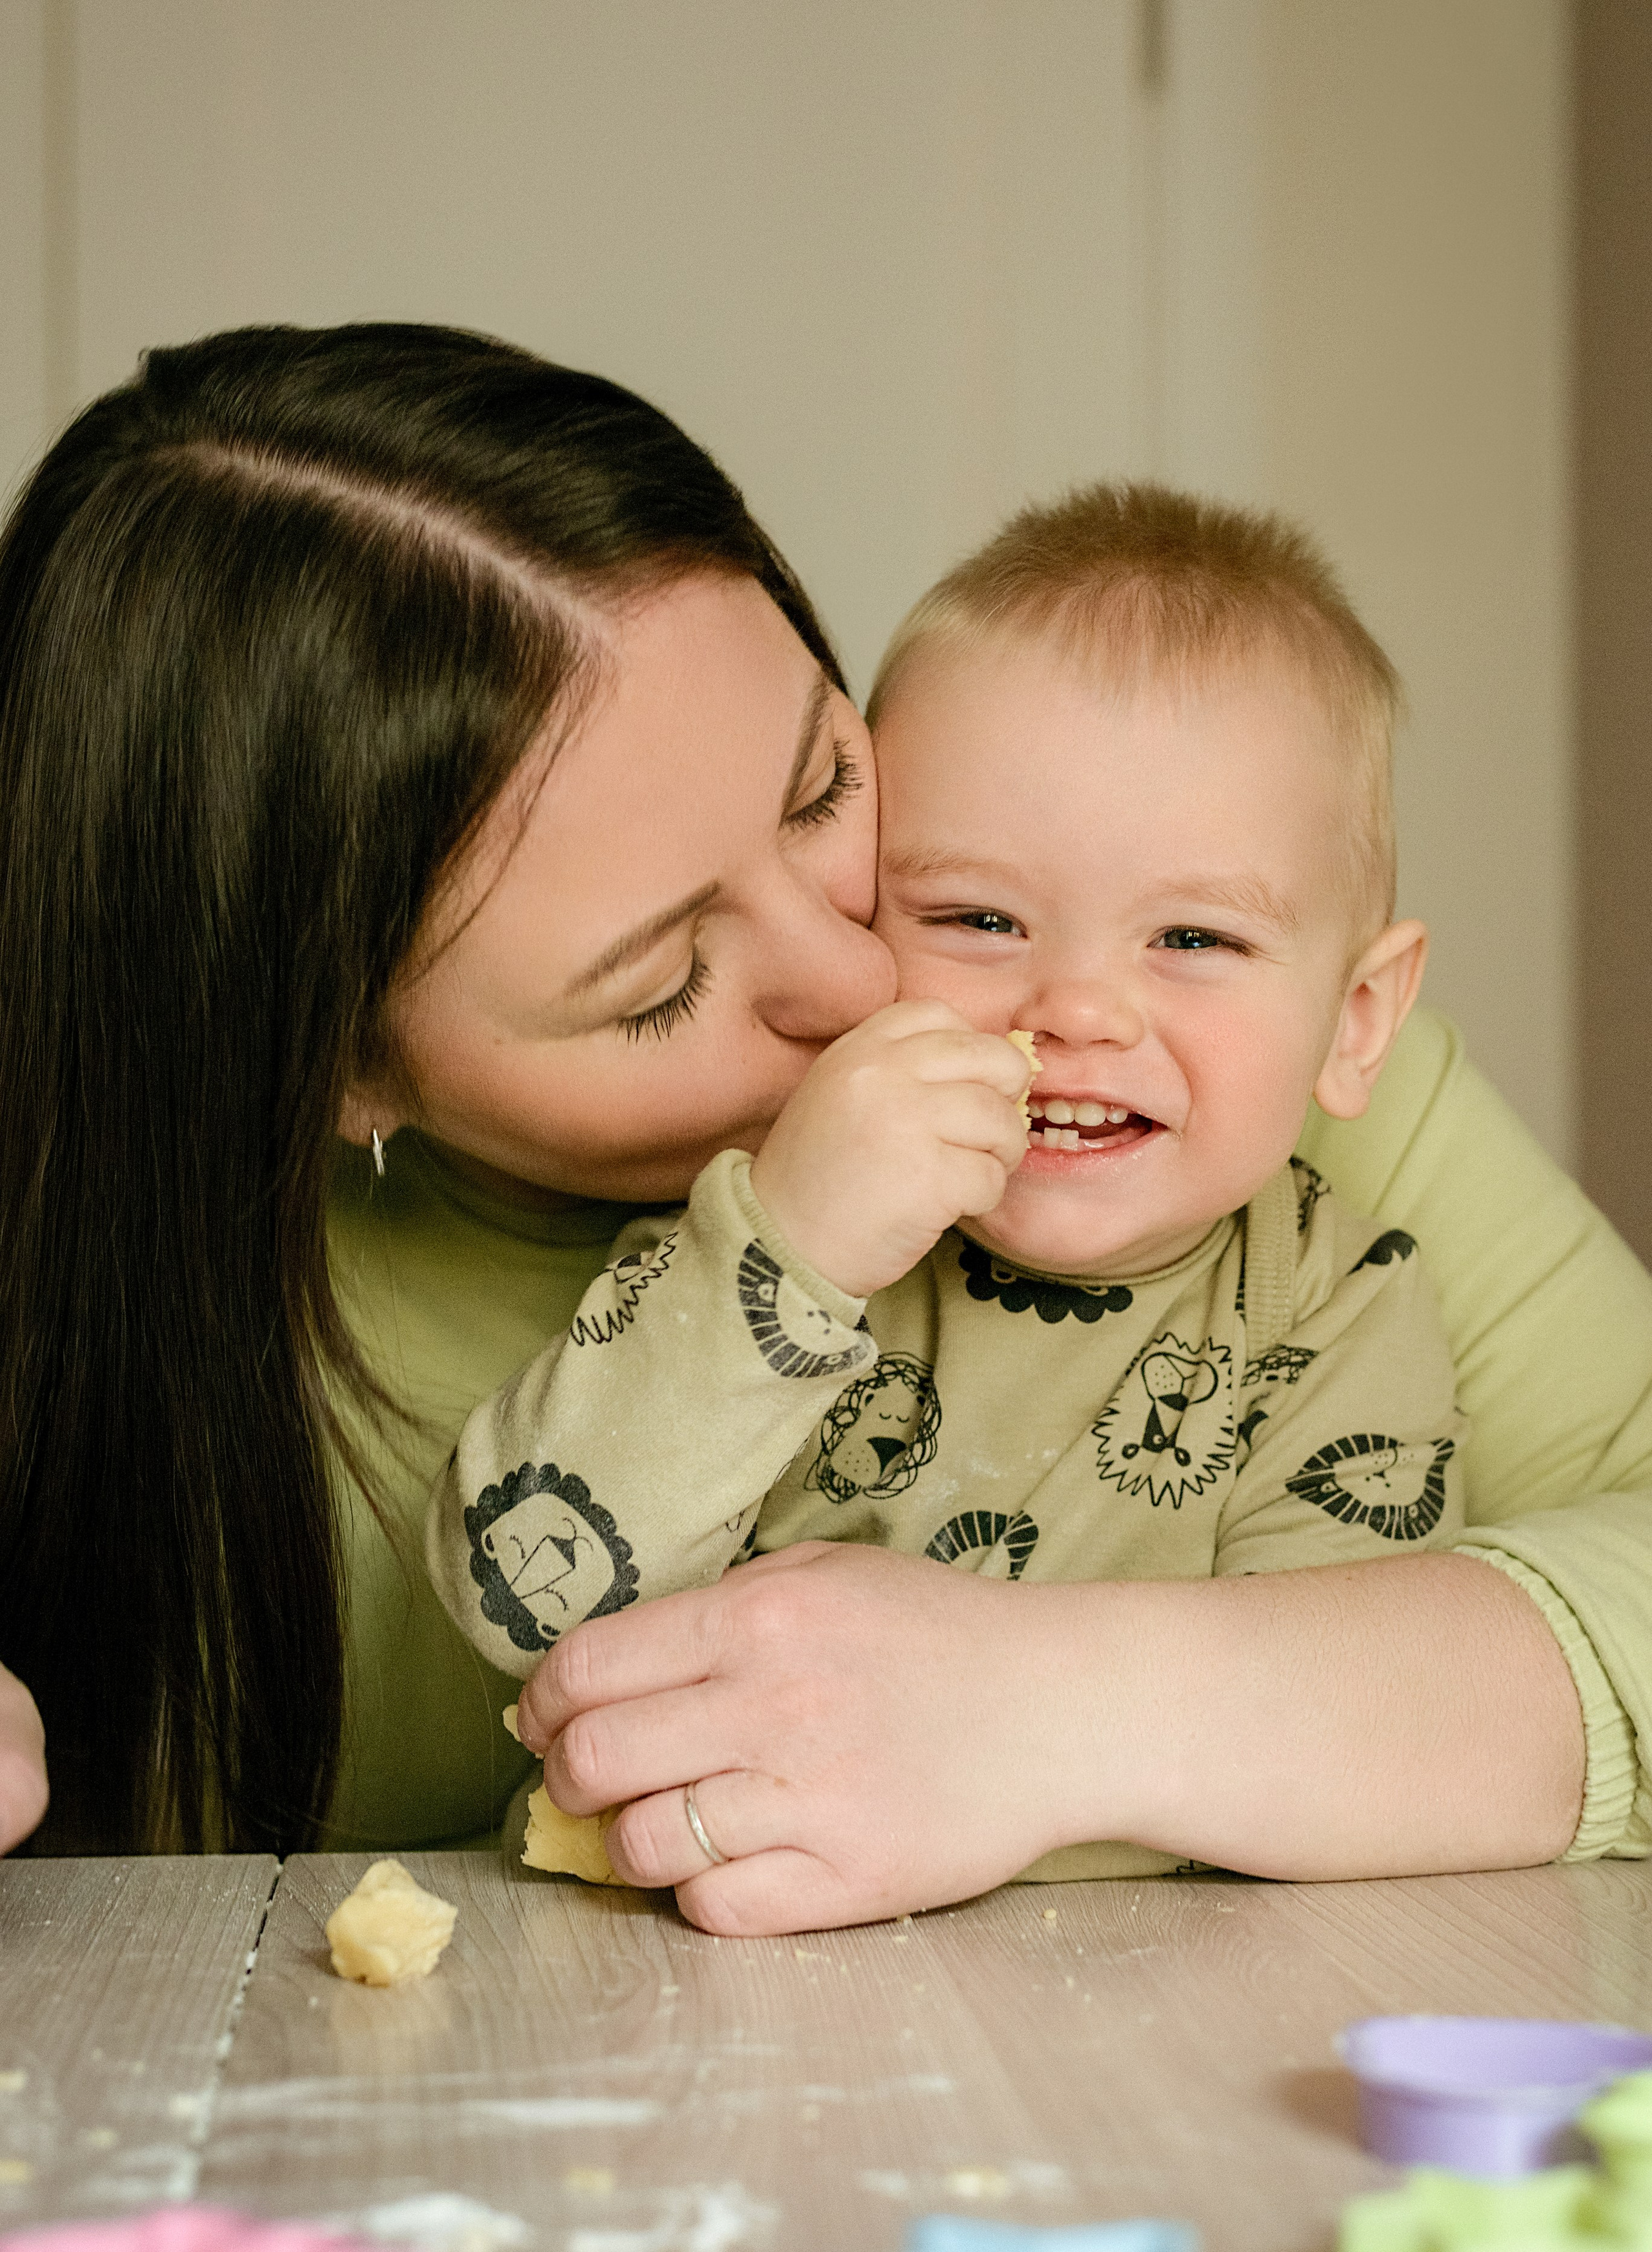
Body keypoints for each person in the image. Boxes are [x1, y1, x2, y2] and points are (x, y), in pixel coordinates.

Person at [0, 323, 1643, 1920]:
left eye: (824, 792)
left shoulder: (1236, 1083)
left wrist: (1062, 1708)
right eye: (661, 982)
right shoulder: (87, 1268)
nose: (866, 978)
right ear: (335, 1067)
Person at [428, 483, 1474, 1898]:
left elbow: (1335, 1755)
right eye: (979, 919)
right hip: (696, 1949)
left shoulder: (1336, 1316)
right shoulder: (781, 1224)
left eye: (1192, 938)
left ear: (1354, 1022)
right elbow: (519, 1594)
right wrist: (790, 1248)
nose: (1077, 1007)